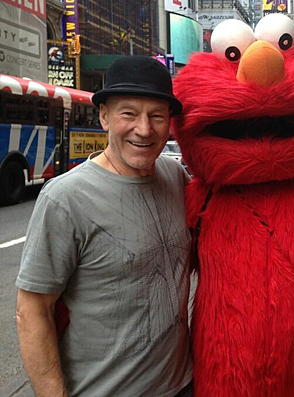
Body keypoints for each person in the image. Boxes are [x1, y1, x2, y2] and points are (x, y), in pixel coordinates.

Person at [15, 56, 193, 397]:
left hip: (183, 385)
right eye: (129, 113)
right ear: (104, 117)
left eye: (157, 116)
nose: (144, 128)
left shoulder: (176, 177)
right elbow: (32, 311)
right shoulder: (65, 198)